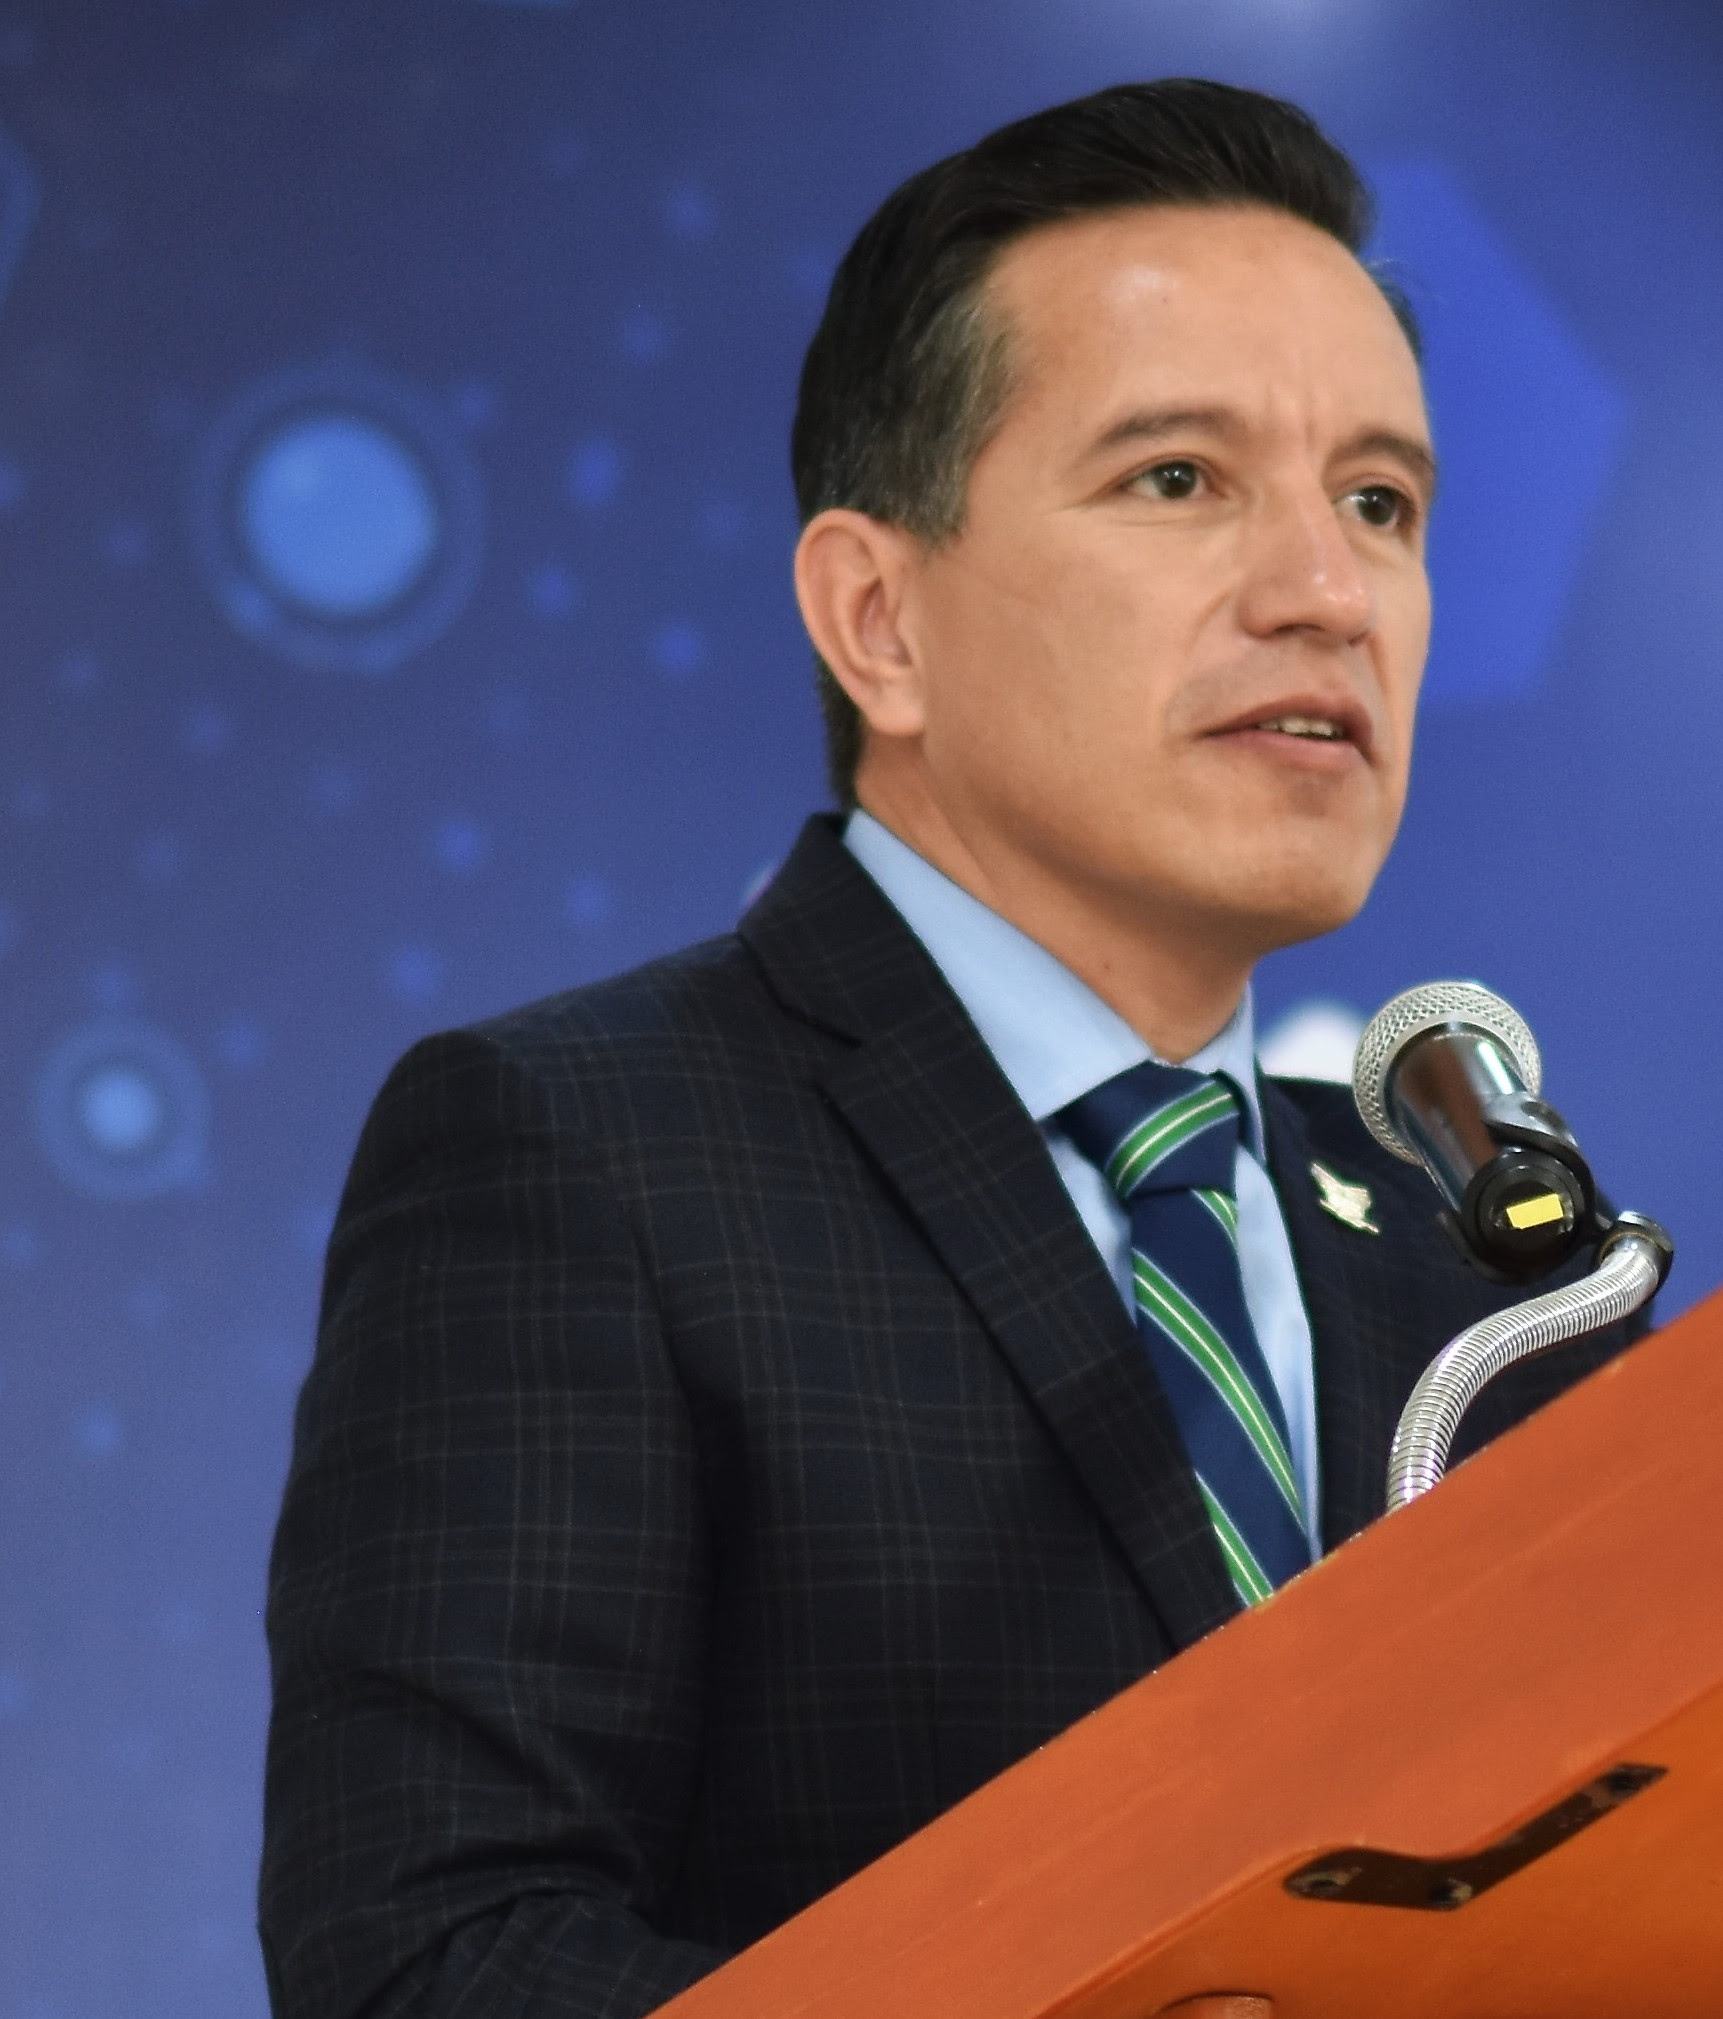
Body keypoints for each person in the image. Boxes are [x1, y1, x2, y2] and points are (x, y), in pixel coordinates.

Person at [258, 79, 1641, 2019]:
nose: (1327, 594)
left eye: (1379, 504)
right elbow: (432, 1964)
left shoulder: (1479, 1260)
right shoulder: (579, 1149)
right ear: (877, 619)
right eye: (1178, 478)